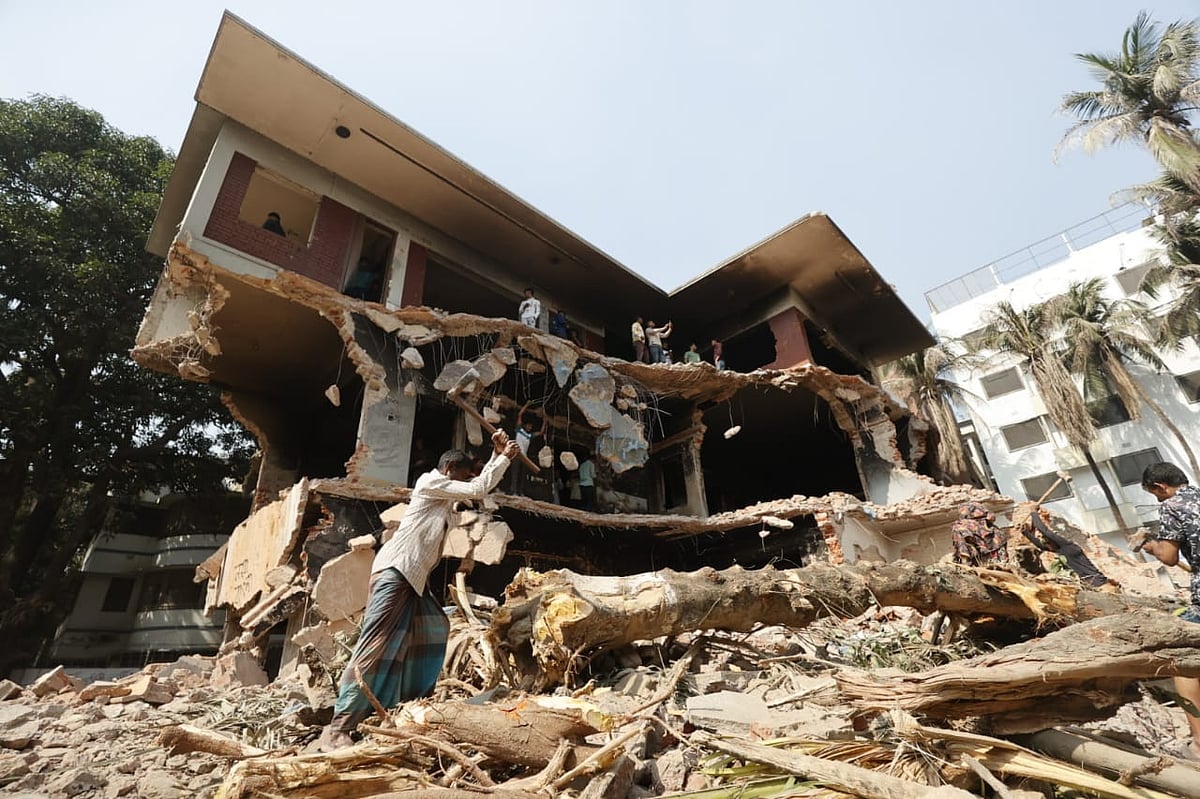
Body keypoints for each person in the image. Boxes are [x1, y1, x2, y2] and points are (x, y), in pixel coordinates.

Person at [319, 431, 519, 750]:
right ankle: (340, 725)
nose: (465, 483)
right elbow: (480, 488)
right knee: (375, 643)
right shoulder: (430, 482)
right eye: (463, 475)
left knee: (432, 629)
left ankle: (408, 708)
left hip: (412, 579)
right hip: (396, 572)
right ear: (450, 469)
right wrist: (506, 458)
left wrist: (495, 457)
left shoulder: (442, 497)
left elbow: (478, 482)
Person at [1138, 462, 1200, 761]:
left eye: (1155, 495)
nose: (1158, 500)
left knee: (1183, 658)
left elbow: (1170, 557)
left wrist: (1151, 546)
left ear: (1160, 487)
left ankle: (1199, 744)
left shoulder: (1172, 505)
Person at [950, 502, 1007, 567]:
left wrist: (965, 566)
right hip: (996, 560)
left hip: (982, 564)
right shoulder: (993, 527)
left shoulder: (960, 526)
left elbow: (963, 551)